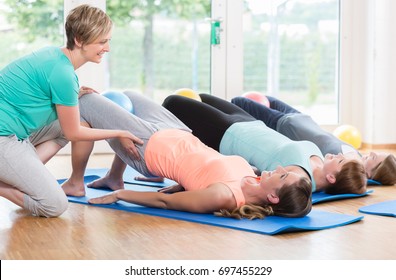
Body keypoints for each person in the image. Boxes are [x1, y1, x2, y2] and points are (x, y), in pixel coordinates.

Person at [63, 91, 312, 219]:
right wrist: (184, 185)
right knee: (128, 94)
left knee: (84, 102)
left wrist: (122, 195)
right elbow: (207, 167)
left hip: (147, 148)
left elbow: (165, 202)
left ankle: (76, 182)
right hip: (177, 131)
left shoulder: (224, 196)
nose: (280, 168)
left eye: (282, 176)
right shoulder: (253, 177)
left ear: (273, 197)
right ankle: (113, 176)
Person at [0, 4, 143, 217]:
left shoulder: (53, 55)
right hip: (4, 137)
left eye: (108, 41)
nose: (107, 48)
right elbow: (74, 133)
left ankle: (31, 176)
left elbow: (36, 97)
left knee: (80, 120)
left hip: (15, 131)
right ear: (78, 40)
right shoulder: (64, 75)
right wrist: (120, 132)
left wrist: (72, 96)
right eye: (102, 42)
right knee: (54, 205)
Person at [162, 93, 367, 195]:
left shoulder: (296, 177)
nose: (339, 156)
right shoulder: (321, 161)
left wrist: (187, 183)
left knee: (172, 102)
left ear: (331, 178)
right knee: (203, 97)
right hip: (250, 123)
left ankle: (154, 155)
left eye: (340, 162)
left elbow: (249, 180)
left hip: (227, 133)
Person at [231, 95, 396, 185]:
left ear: (368, 173)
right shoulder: (356, 156)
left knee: (239, 102)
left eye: (374, 158)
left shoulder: (341, 165)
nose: (371, 152)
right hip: (300, 118)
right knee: (267, 98)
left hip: (285, 124)